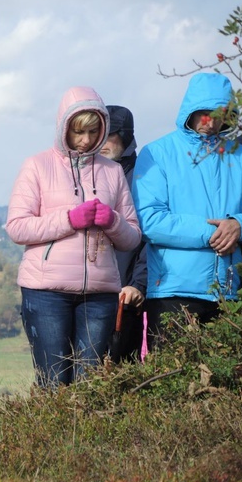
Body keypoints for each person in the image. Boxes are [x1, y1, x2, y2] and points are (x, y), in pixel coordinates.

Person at [5, 87, 141, 388]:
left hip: (100, 294)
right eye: (78, 131)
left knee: (90, 386)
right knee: (54, 383)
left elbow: (131, 238)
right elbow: (16, 227)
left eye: (94, 131)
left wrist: (112, 220)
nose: (87, 140)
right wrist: (69, 219)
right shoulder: (36, 166)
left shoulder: (113, 172)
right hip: (45, 292)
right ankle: (51, 437)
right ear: (63, 127)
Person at [132, 72, 242, 348]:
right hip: (173, 291)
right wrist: (216, 232)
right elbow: (149, 220)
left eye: (219, 113)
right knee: (171, 386)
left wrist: (239, 226)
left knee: (225, 387)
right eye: (203, 112)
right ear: (190, 110)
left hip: (229, 294)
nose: (209, 121)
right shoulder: (157, 153)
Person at [100, 105, 147, 362]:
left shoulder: (144, 177)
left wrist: (138, 284)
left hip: (127, 297)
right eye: (98, 133)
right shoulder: (87, 172)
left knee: (123, 374)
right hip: (88, 294)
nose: (102, 142)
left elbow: (150, 238)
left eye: (110, 135)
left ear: (126, 137)